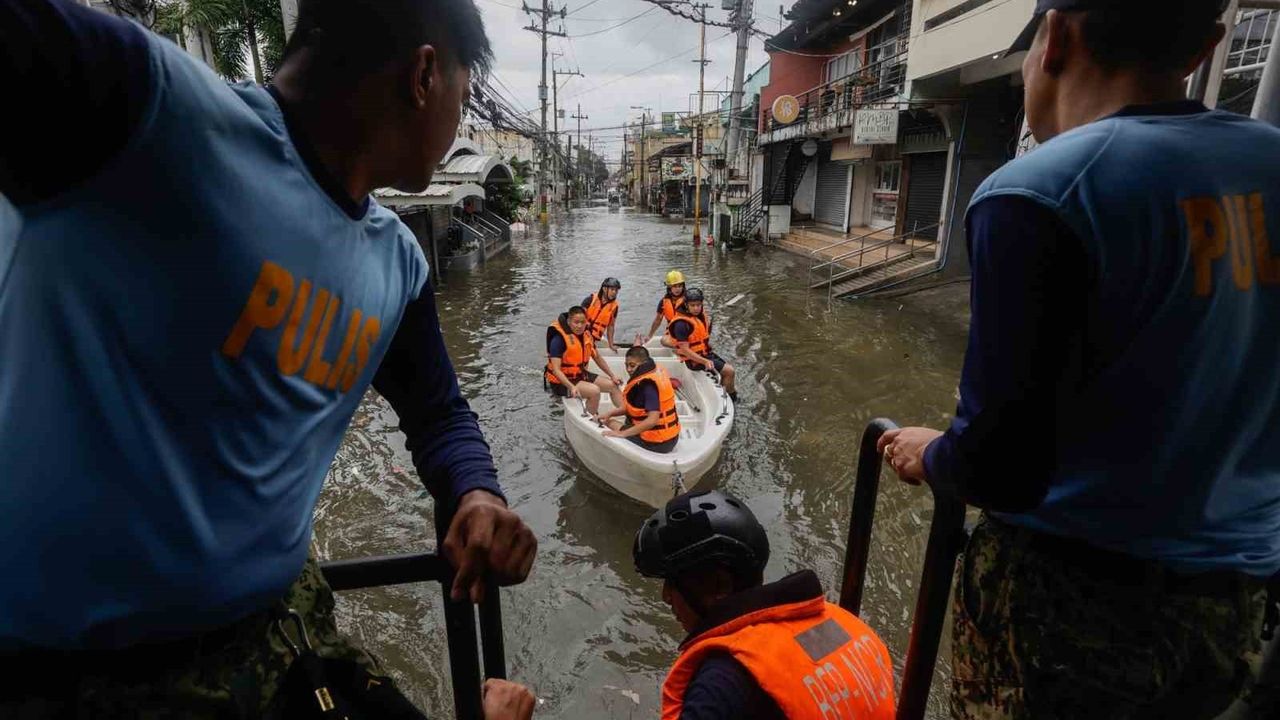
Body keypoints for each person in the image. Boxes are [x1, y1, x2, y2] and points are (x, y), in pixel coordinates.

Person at [0, 0, 537, 716]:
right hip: (63, 674)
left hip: (279, 627)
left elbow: (437, 412)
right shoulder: (153, 113)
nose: (458, 124)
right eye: (463, 100)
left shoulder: (396, 263)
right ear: (424, 76)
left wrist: (475, 493)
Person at [876, 1, 1280, 718]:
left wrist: (932, 454)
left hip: (1068, 606)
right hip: (1240, 599)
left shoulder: (1037, 192)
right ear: (1204, 48)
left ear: (1055, 38)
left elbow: (1000, 465)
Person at [633, 490, 896, 720]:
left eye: (672, 583)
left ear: (719, 585)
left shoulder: (721, 685)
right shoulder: (838, 622)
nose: (666, 596)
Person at [545, 305, 625, 415]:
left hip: (580, 374)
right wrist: (571, 387)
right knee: (594, 391)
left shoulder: (587, 335)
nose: (579, 326)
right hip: (561, 382)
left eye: (582, 322)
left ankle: (627, 414)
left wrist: (612, 376)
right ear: (569, 321)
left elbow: (597, 357)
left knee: (613, 386)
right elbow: (556, 370)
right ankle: (592, 419)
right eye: (576, 322)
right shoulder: (559, 339)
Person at [599, 346, 681, 453]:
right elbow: (631, 408)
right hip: (672, 437)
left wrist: (622, 433)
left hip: (656, 443)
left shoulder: (647, 385)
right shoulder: (654, 373)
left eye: (632, 365)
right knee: (611, 418)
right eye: (626, 365)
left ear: (644, 363)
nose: (628, 369)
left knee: (609, 423)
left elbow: (652, 420)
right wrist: (609, 413)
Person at [666, 288, 737, 401]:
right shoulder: (681, 324)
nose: (696, 308)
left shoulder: (700, 316)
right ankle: (731, 399)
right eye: (692, 305)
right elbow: (685, 350)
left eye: (698, 305)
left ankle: (731, 394)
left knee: (727, 370)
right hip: (693, 361)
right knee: (729, 371)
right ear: (686, 305)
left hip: (704, 354)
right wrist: (704, 361)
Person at [643, 270, 687, 342]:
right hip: (672, 331)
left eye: (680, 286)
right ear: (669, 287)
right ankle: (679, 345)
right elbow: (658, 320)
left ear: (683, 286)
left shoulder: (689, 300)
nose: (678, 289)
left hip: (687, 331)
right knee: (664, 341)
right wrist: (650, 335)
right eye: (674, 286)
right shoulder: (663, 302)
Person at [582, 276, 622, 351]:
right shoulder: (590, 299)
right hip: (582, 334)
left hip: (594, 338)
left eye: (616, 290)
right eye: (612, 289)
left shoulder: (614, 307)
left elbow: (611, 326)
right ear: (604, 289)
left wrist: (611, 345)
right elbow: (579, 317)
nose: (614, 292)